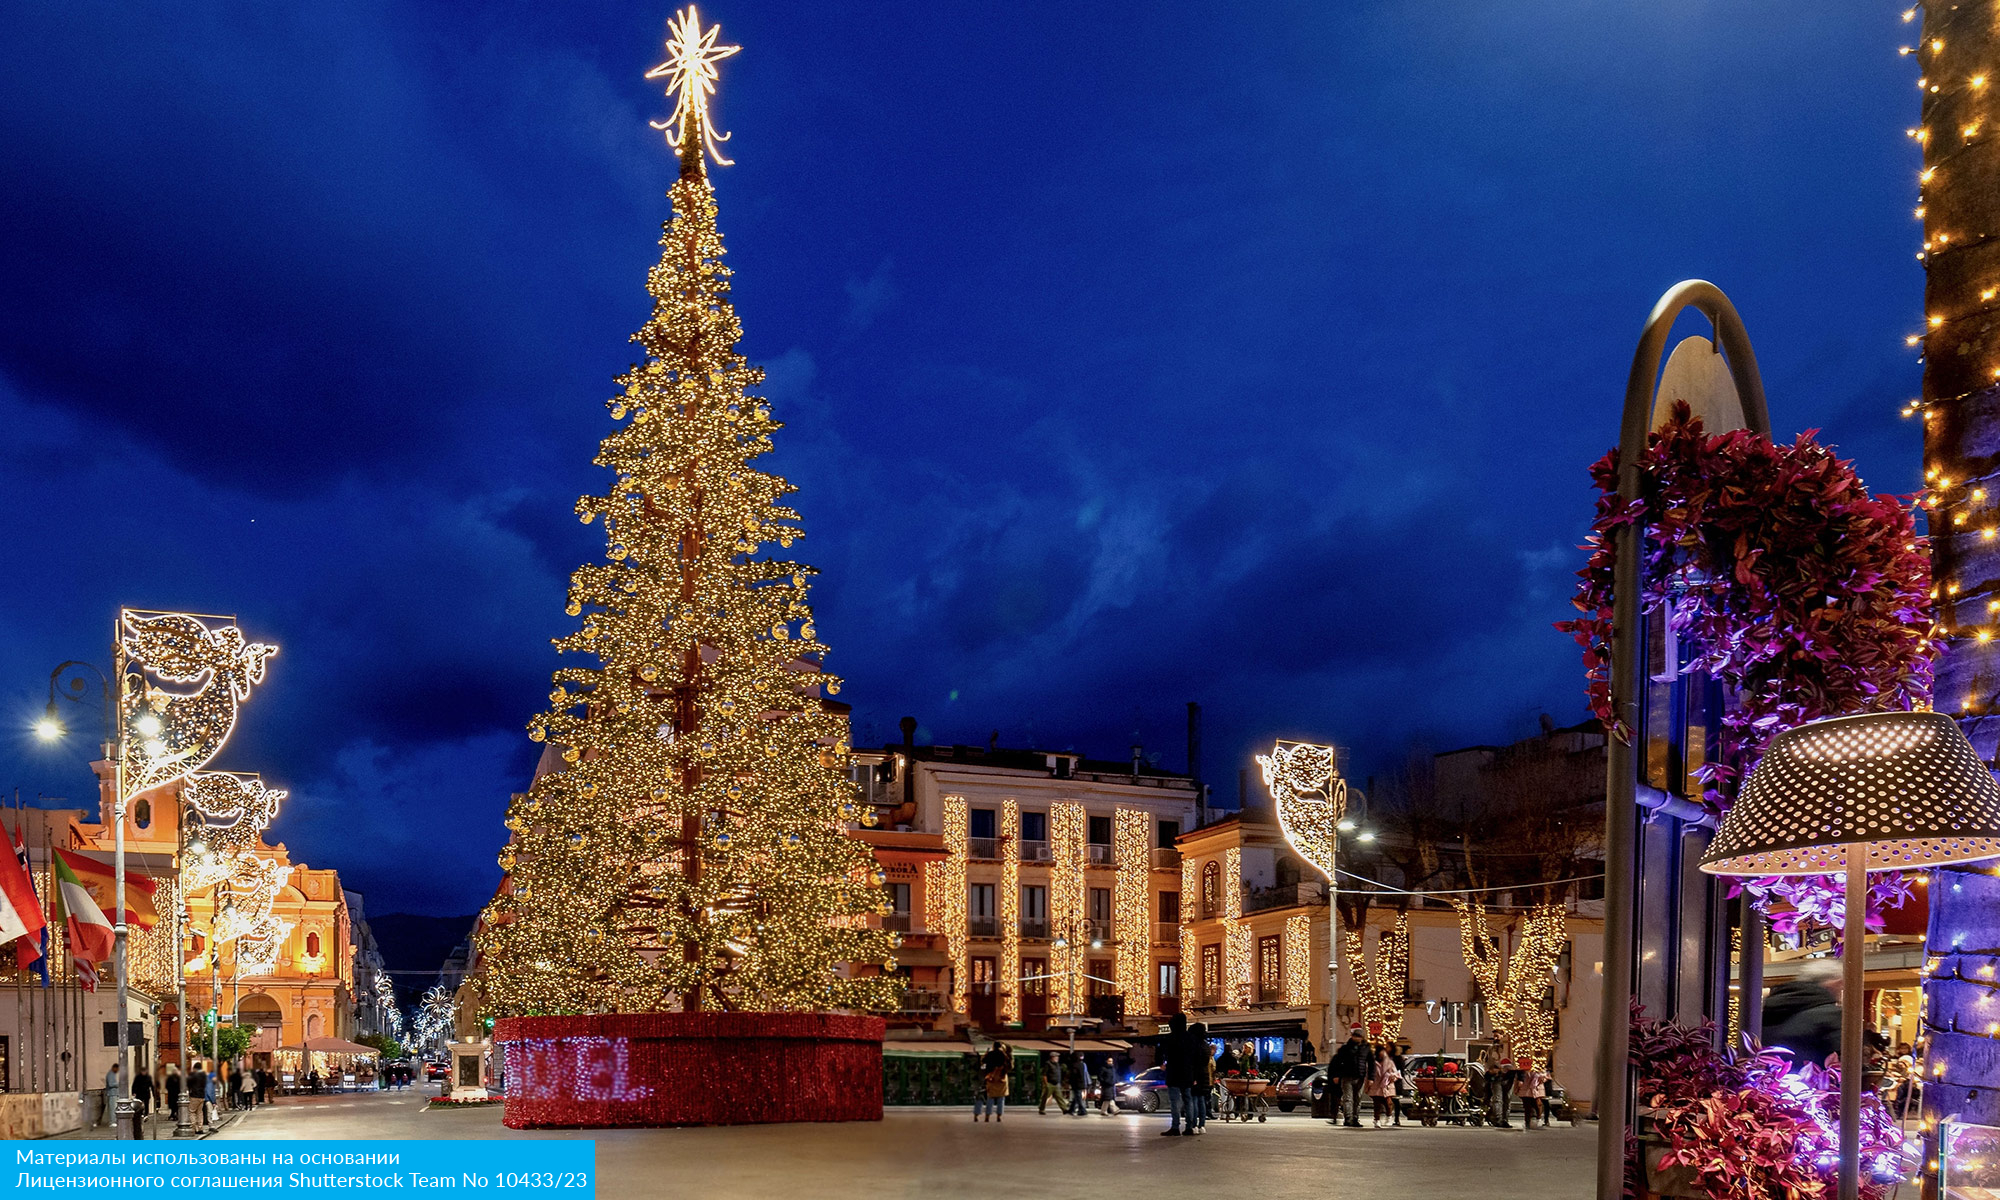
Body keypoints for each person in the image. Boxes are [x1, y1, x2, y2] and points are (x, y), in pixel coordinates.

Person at [1763, 960, 1844, 1070]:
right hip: (1815, 1079)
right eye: (1840, 984)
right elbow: (1847, 1062)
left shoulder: (1771, 1009)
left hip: (1769, 1077)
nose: (1841, 989)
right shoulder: (1831, 1015)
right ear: (1833, 984)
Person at [1160, 1011, 1194, 1136]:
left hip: (1174, 1073)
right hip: (1187, 1073)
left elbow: (1163, 1053)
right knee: (1188, 1100)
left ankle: (1175, 1127)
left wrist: (1164, 1063)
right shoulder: (1190, 1038)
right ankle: (1189, 1127)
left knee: (1174, 1101)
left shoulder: (1169, 1038)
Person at [1328, 1026, 1369, 1128]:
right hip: (1347, 1076)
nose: (1357, 1038)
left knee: (1357, 1099)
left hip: (1360, 1077)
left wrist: (1371, 1078)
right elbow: (1337, 1062)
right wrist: (1336, 1075)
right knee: (1348, 1098)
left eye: (1359, 1036)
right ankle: (1348, 1118)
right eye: (1356, 1036)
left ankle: (1355, 1118)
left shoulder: (1366, 1048)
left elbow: (1371, 1063)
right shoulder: (1345, 1048)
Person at [1366, 1045, 1401, 1127]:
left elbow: (1395, 1072)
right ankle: (1376, 1119)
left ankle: (1389, 1117)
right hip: (1376, 1085)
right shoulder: (1373, 1062)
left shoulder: (1390, 1062)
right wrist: (1368, 1083)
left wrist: (1393, 1077)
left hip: (1387, 1085)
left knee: (1388, 1103)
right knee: (1377, 1104)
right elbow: (1368, 1073)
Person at [1190, 1024, 1214, 1133]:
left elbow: (1193, 1062)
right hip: (1205, 1075)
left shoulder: (1194, 1045)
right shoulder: (1206, 1046)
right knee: (1202, 1101)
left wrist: (1193, 1077)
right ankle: (1202, 1125)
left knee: (1194, 1100)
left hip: (1196, 1074)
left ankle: (1194, 1125)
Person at [978, 1044, 1010, 1122]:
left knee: (990, 1097)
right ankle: (999, 1116)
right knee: (1001, 1098)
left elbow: (983, 1061)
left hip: (991, 1077)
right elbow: (1009, 1065)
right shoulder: (1004, 1055)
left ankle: (987, 1115)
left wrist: (986, 1053)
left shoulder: (990, 1054)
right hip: (1001, 1077)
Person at [1514, 1061, 1549, 1128]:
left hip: (1536, 1087)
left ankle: (1538, 1119)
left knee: (1537, 1104)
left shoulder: (1539, 1063)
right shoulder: (1523, 1064)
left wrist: (1542, 1077)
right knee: (1527, 1106)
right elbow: (1519, 1074)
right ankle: (1528, 1122)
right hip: (1526, 1086)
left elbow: (1544, 1075)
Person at [1067, 1051, 1090, 1117]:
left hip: (1076, 1083)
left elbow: (1073, 1075)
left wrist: (1070, 1082)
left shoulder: (1074, 1065)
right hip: (1081, 1083)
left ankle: (1082, 1110)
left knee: (1078, 1097)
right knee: (1077, 1097)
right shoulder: (1082, 1064)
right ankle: (1071, 1109)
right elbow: (1083, 1075)